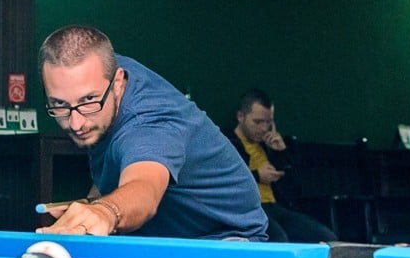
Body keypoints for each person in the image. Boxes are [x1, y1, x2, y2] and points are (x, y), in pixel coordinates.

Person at [35, 25, 267, 240]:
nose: (75, 123)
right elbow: (116, 161)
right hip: (169, 236)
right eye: (59, 104)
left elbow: (144, 188)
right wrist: (92, 203)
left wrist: (105, 210)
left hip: (224, 238)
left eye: (88, 100)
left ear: (117, 82)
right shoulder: (98, 73)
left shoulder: (148, 127)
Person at [225, 89, 336, 243]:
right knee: (279, 240)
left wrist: (281, 154)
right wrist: (257, 175)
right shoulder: (227, 144)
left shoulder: (269, 145)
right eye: (257, 122)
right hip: (249, 210)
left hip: (276, 207)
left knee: (326, 237)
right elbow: (225, 182)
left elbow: (296, 189)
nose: (264, 128)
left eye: (268, 122)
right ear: (240, 117)